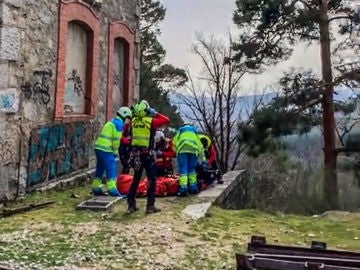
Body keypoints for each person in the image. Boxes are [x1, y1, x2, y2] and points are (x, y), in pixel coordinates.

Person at [127, 100, 170, 214]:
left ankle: (131, 204)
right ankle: (150, 206)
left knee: (136, 179)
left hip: (136, 155)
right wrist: (155, 113)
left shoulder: (133, 121)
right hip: (148, 155)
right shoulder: (150, 122)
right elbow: (166, 120)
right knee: (152, 180)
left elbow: (127, 131)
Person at [92, 106, 132, 197]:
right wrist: (114, 152)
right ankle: (113, 191)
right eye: (127, 118)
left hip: (99, 147)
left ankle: (95, 188)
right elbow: (116, 140)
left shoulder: (112, 122)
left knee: (100, 168)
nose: (127, 120)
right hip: (106, 149)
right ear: (124, 116)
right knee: (111, 169)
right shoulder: (119, 125)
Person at [173, 123, 206, 196]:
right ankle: (193, 188)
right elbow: (200, 146)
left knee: (183, 170)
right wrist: (203, 160)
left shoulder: (181, 130)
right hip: (193, 151)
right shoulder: (194, 131)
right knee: (192, 170)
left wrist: (177, 151)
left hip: (182, 150)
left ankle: (183, 189)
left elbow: (174, 141)